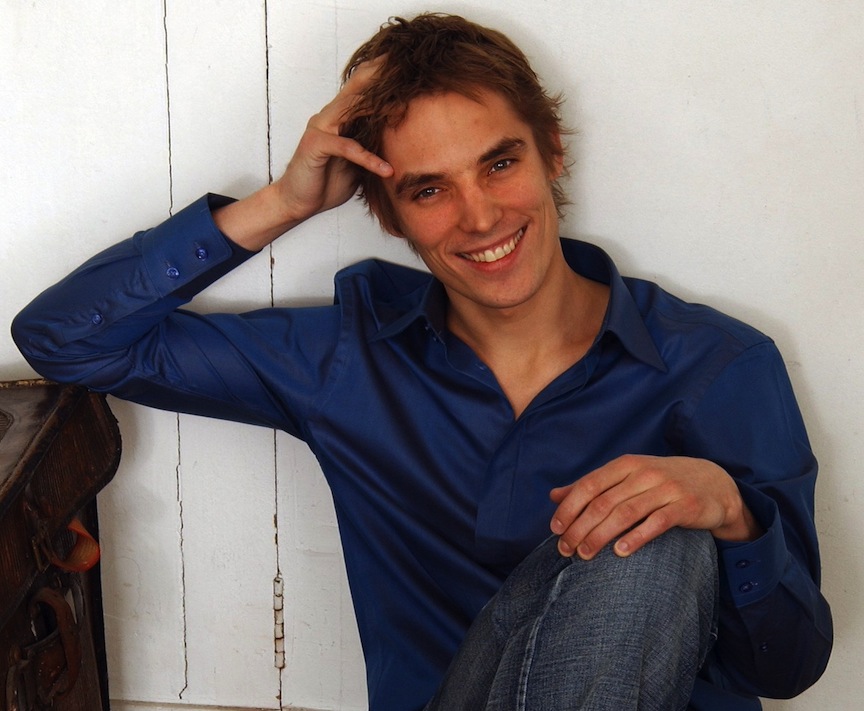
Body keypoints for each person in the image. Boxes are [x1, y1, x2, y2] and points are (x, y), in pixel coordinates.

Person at [12, 12, 831, 711]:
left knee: (657, 540)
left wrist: (731, 511)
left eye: (500, 163)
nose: (480, 217)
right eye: (429, 189)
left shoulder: (719, 364)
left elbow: (787, 669)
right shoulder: (345, 360)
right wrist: (284, 202)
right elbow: (67, 337)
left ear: (552, 151)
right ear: (386, 210)